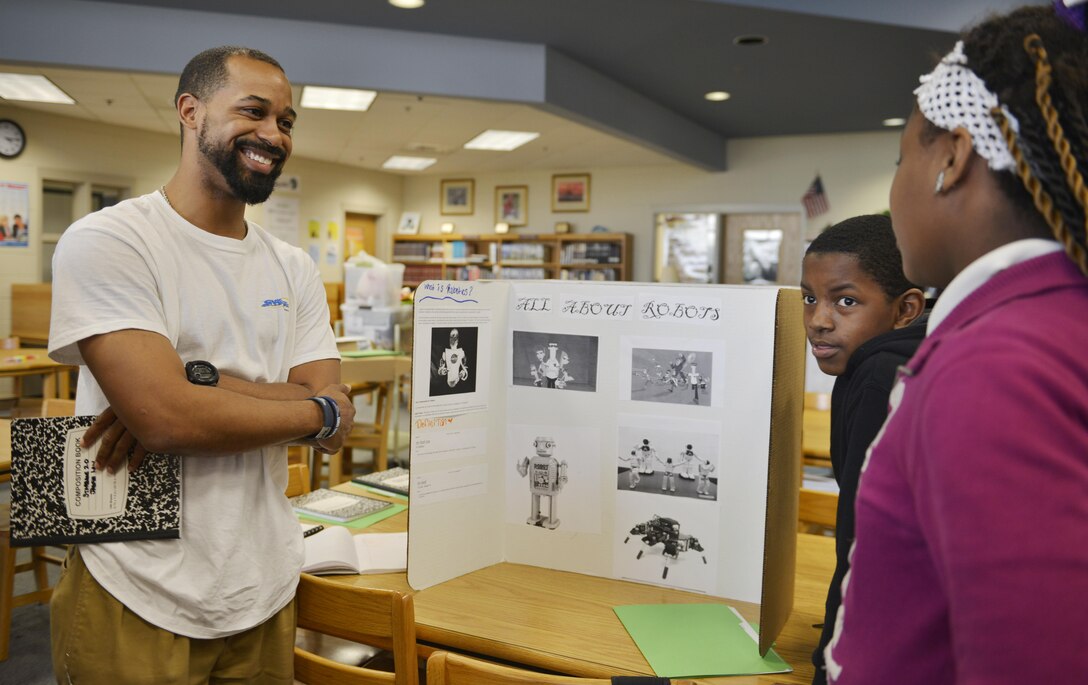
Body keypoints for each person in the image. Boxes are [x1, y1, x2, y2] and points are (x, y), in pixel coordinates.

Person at [46, 46, 356, 684]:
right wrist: (305, 408)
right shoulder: (111, 240)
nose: (274, 134)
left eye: (287, 121)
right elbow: (164, 421)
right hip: (133, 582)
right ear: (190, 111)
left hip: (263, 586)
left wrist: (200, 385)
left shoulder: (293, 267)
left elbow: (337, 409)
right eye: (254, 111)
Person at [825, 5, 1088, 684]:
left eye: (900, 154)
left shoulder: (996, 367)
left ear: (952, 157)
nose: (894, 186)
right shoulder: (1039, 321)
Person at [799, 215, 926, 685]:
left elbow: (860, 543)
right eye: (809, 298)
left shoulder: (881, 376)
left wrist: (827, 664)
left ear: (905, 309)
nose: (818, 320)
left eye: (845, 301)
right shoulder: (885, 359)